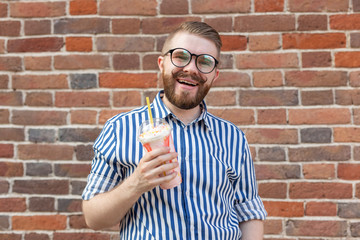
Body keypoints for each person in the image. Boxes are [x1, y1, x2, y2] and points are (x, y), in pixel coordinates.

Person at [82, 21, 267, 239]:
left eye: (204, 62)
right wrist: (136, 183)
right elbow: (93, 218)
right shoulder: (120, 128)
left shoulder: (232, 137)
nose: (191, 69)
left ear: (215, 75)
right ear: (162, 63)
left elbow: (248, 212)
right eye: (181, 56)